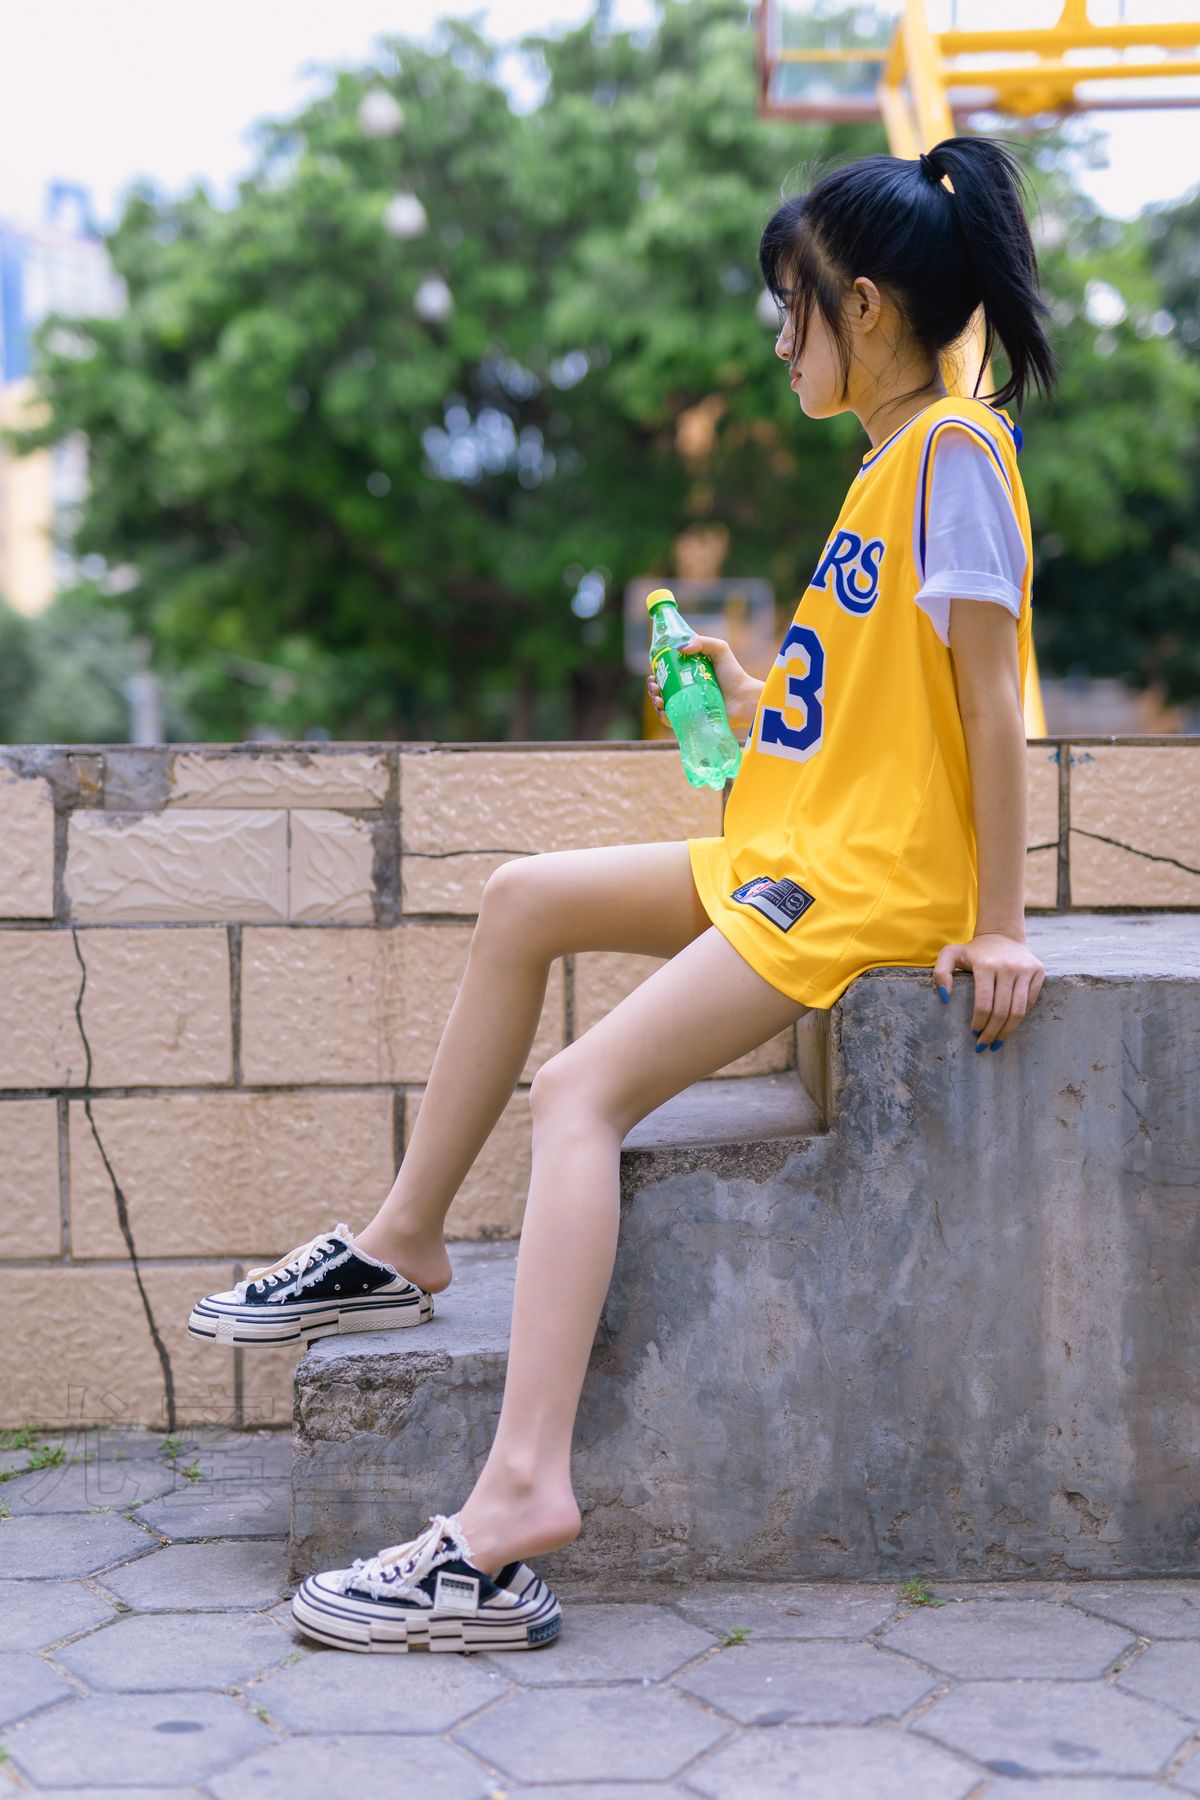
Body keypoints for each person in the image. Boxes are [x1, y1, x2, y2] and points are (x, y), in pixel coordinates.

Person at [186, 133, 1056, 1654]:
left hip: (856, 895)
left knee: (578, 1093)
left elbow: (990, 701)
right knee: (521, 895)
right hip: (792, 855)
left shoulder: (957, 457)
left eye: (790, 307)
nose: (779, 341)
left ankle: (516, 1505)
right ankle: (403, 1242)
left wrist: (999, 925)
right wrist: (756, 688)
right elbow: (879, 706)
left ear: (862, 307)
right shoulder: (888, 467)